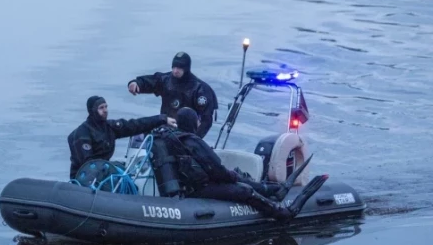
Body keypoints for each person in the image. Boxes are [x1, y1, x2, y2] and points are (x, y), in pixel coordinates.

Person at [160, 107, 327, 221]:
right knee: (244, 189)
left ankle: (275, 189)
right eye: (196, 121)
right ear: (192, 122)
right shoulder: (192, 142)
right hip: (198, 189)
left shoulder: (171, 138)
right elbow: (216, 169)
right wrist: (231, 176)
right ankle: (282, 213)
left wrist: (230, 175)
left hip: (190, 184)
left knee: (237, 177)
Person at [67, 95, 176, 180]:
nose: (105, 110)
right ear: (92, 111)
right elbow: (88, 164)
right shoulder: (82, 134)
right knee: (115, 168)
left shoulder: (109, 127)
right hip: (84, 177)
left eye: (106, 107)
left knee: (123, 169)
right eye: (101, 108)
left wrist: (162, 119)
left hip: (102, 171)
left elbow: (134, 125)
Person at [127, 52, 218, 138]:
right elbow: (151, 81)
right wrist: (136, 83)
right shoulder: (165, 80)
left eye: (179, 68)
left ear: (186, 68)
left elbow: (206, 121)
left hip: (188, 133)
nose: (175, 71)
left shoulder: (200, 89)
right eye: (174, 67)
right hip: (166, 129)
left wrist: (195, 139)